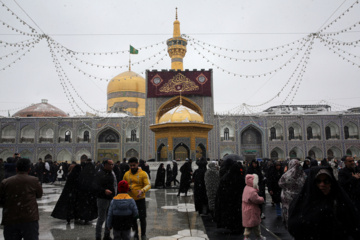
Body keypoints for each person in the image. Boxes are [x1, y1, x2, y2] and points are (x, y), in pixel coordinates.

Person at [288, 166, 360, 239]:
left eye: (326, 181)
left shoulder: (339, 200)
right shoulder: (303, 202)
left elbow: (352, 225)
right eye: (318, 181)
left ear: (331, 182)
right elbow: (294, 227)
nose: (322, 185)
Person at [0, 158, 43, 240]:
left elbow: (1, 200)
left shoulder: (6, 182)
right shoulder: (33, 180)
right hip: (29, 218)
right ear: (29, 169)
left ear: (16, 169)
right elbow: (39, 195)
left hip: (10, 219)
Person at [123, 157, 151, 240]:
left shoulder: (143, 174)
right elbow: (123, 184)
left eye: (134, 165)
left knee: (142, 218)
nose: (132, 167)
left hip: (140, 199)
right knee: (133, 219)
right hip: (130, 200)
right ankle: (135, 235)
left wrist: (142, 190)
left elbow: (148, 185)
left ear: (137, 164)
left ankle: (143, 234)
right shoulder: (126, 174)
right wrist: (126, 188)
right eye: (130, 165)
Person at [215, 161, 246, 233]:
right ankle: (237, 226)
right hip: (237, 201)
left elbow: (221, 191)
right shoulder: (240, 178)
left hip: (229, 201)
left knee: (231, 213)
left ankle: (231, 225)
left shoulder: (226, 177)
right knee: (237, 214)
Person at [278, 159, 305, 228]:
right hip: (300, 197)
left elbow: (280, 184)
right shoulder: (303, 175)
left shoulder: (287, 175)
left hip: (287, 197)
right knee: (299, 212)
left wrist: (288, 188)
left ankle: (290, 225)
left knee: (288, 211)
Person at [95, 158, 117, 240]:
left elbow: (115, 184)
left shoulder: (112, 173)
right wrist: (104, 191)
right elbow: (95, 186)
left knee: (109, 218)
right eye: (110, 164)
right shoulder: (100, 174)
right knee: (101, 219)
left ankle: (107, 235)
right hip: (102, 199)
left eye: (112, 164)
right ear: (105, 165)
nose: (112, 166)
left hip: (111, 198)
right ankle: (98, 237)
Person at [242, 174, 266, 240]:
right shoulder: (252, 191)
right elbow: (256, 199)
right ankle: (257, 236)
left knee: (250, 224)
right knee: (254, 224)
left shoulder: (246, 187)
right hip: (252, 209)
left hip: (246, 208)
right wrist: (262, 199)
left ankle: (248, 237)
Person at [77, 158, 98, 224]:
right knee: (90, 206)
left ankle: (82, 216)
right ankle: (88, 217)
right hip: (90, 193)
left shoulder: (83, 172)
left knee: (83, 205)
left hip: (83, 193)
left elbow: (79, 182)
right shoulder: (93, 172)